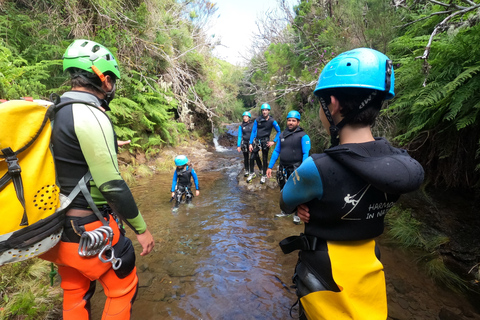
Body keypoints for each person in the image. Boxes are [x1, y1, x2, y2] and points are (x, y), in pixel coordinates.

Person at [278, 48, 424, 319]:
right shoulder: (397, 164)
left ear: (332, 104)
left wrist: (307, 205)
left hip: (325, 273)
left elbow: (286, 202)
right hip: (369, 268)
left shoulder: (317, 168)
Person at [40, 39, 155, 320]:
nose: (112, 85)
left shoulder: (56, 111)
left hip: (56, 231)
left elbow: (70, 154)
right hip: (89, 231)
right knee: (123, 288)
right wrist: (141, 229)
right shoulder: (91, 113)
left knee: (74, 291)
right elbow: (111, 185)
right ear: (104, 79)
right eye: (111, 79)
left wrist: (112, 145)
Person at [266, 110, 311, 224]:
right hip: (283, 167)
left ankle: (297, 213)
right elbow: (276, 151)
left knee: (297, 191)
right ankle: (286, 211)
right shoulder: (282, 135)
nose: (290, 122)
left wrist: (303, 169)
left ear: (298, 122)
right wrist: (270, 167)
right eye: (289, 120)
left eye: (293, 121)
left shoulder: (303, 136)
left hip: (297, 168)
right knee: (283, 189)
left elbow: (306, 153)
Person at [247, 103, 281, 184]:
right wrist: (250, 143)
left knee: (265, 158)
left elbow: (279, 131)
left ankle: (264, 175)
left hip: (266, 141)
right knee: (252, 157)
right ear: (261, 111)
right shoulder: (257, 120)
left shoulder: (272, 121)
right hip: (257, 141)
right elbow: (253, 131)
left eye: (266, 110)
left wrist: (273, 141)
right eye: (263, 110)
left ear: (269, 111)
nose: (264, 112)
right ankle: (251, 173)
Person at [237, 111, 261, 177]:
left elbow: (256, 133)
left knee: (256, 156)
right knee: (246, 157)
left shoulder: (253, 124)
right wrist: (238, 145)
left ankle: (261, 169)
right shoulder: (241, 126)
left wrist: (258, 142)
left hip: (252, 142)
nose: (245, 118)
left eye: (246, 117)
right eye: (244, 117)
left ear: (249, 117)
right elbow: (239, 136)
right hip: (244, 142)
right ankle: (247, 170)